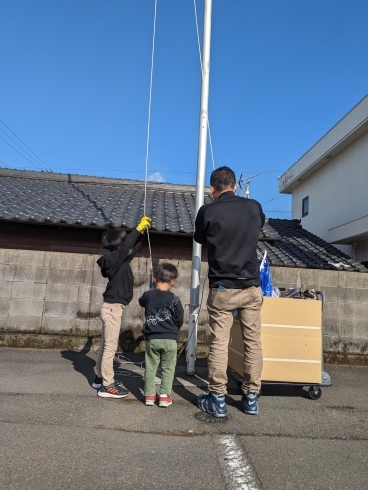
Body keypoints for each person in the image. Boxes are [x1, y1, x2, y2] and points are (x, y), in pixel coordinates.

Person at [194, 166, 265, 417]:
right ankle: (251, 398)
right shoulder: (254, 207)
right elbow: (260, 225)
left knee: (219, 344)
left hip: (222, 288)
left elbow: (200, 238)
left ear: (213, 189)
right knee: (253, 342)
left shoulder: (207, 210)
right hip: (251, 286)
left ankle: (218, 398)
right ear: (235, 186)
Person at [92, 216, 151, 398]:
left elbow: (131, 249)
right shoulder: (113, 259)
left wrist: (142, 234)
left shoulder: (120, 260)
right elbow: (127, 248)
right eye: (124, 241)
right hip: (112, 308)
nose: (127, 244)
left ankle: (99, 378)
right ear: (119, 244)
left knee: (105, 345)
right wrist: (137, 229)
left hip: (113, 307)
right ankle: (107, 385)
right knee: (110, 347)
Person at [139, 263, 184, 408]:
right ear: (173, 281)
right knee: (168, 368)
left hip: (152, 338)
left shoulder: (148, 295)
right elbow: (180, 317)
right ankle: (164, 396)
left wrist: (151, 292)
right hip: (170, 339)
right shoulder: (174, 298)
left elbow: (141, 302)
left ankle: (149, 396)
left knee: (151, 367)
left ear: (154, 279)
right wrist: (174, 328)